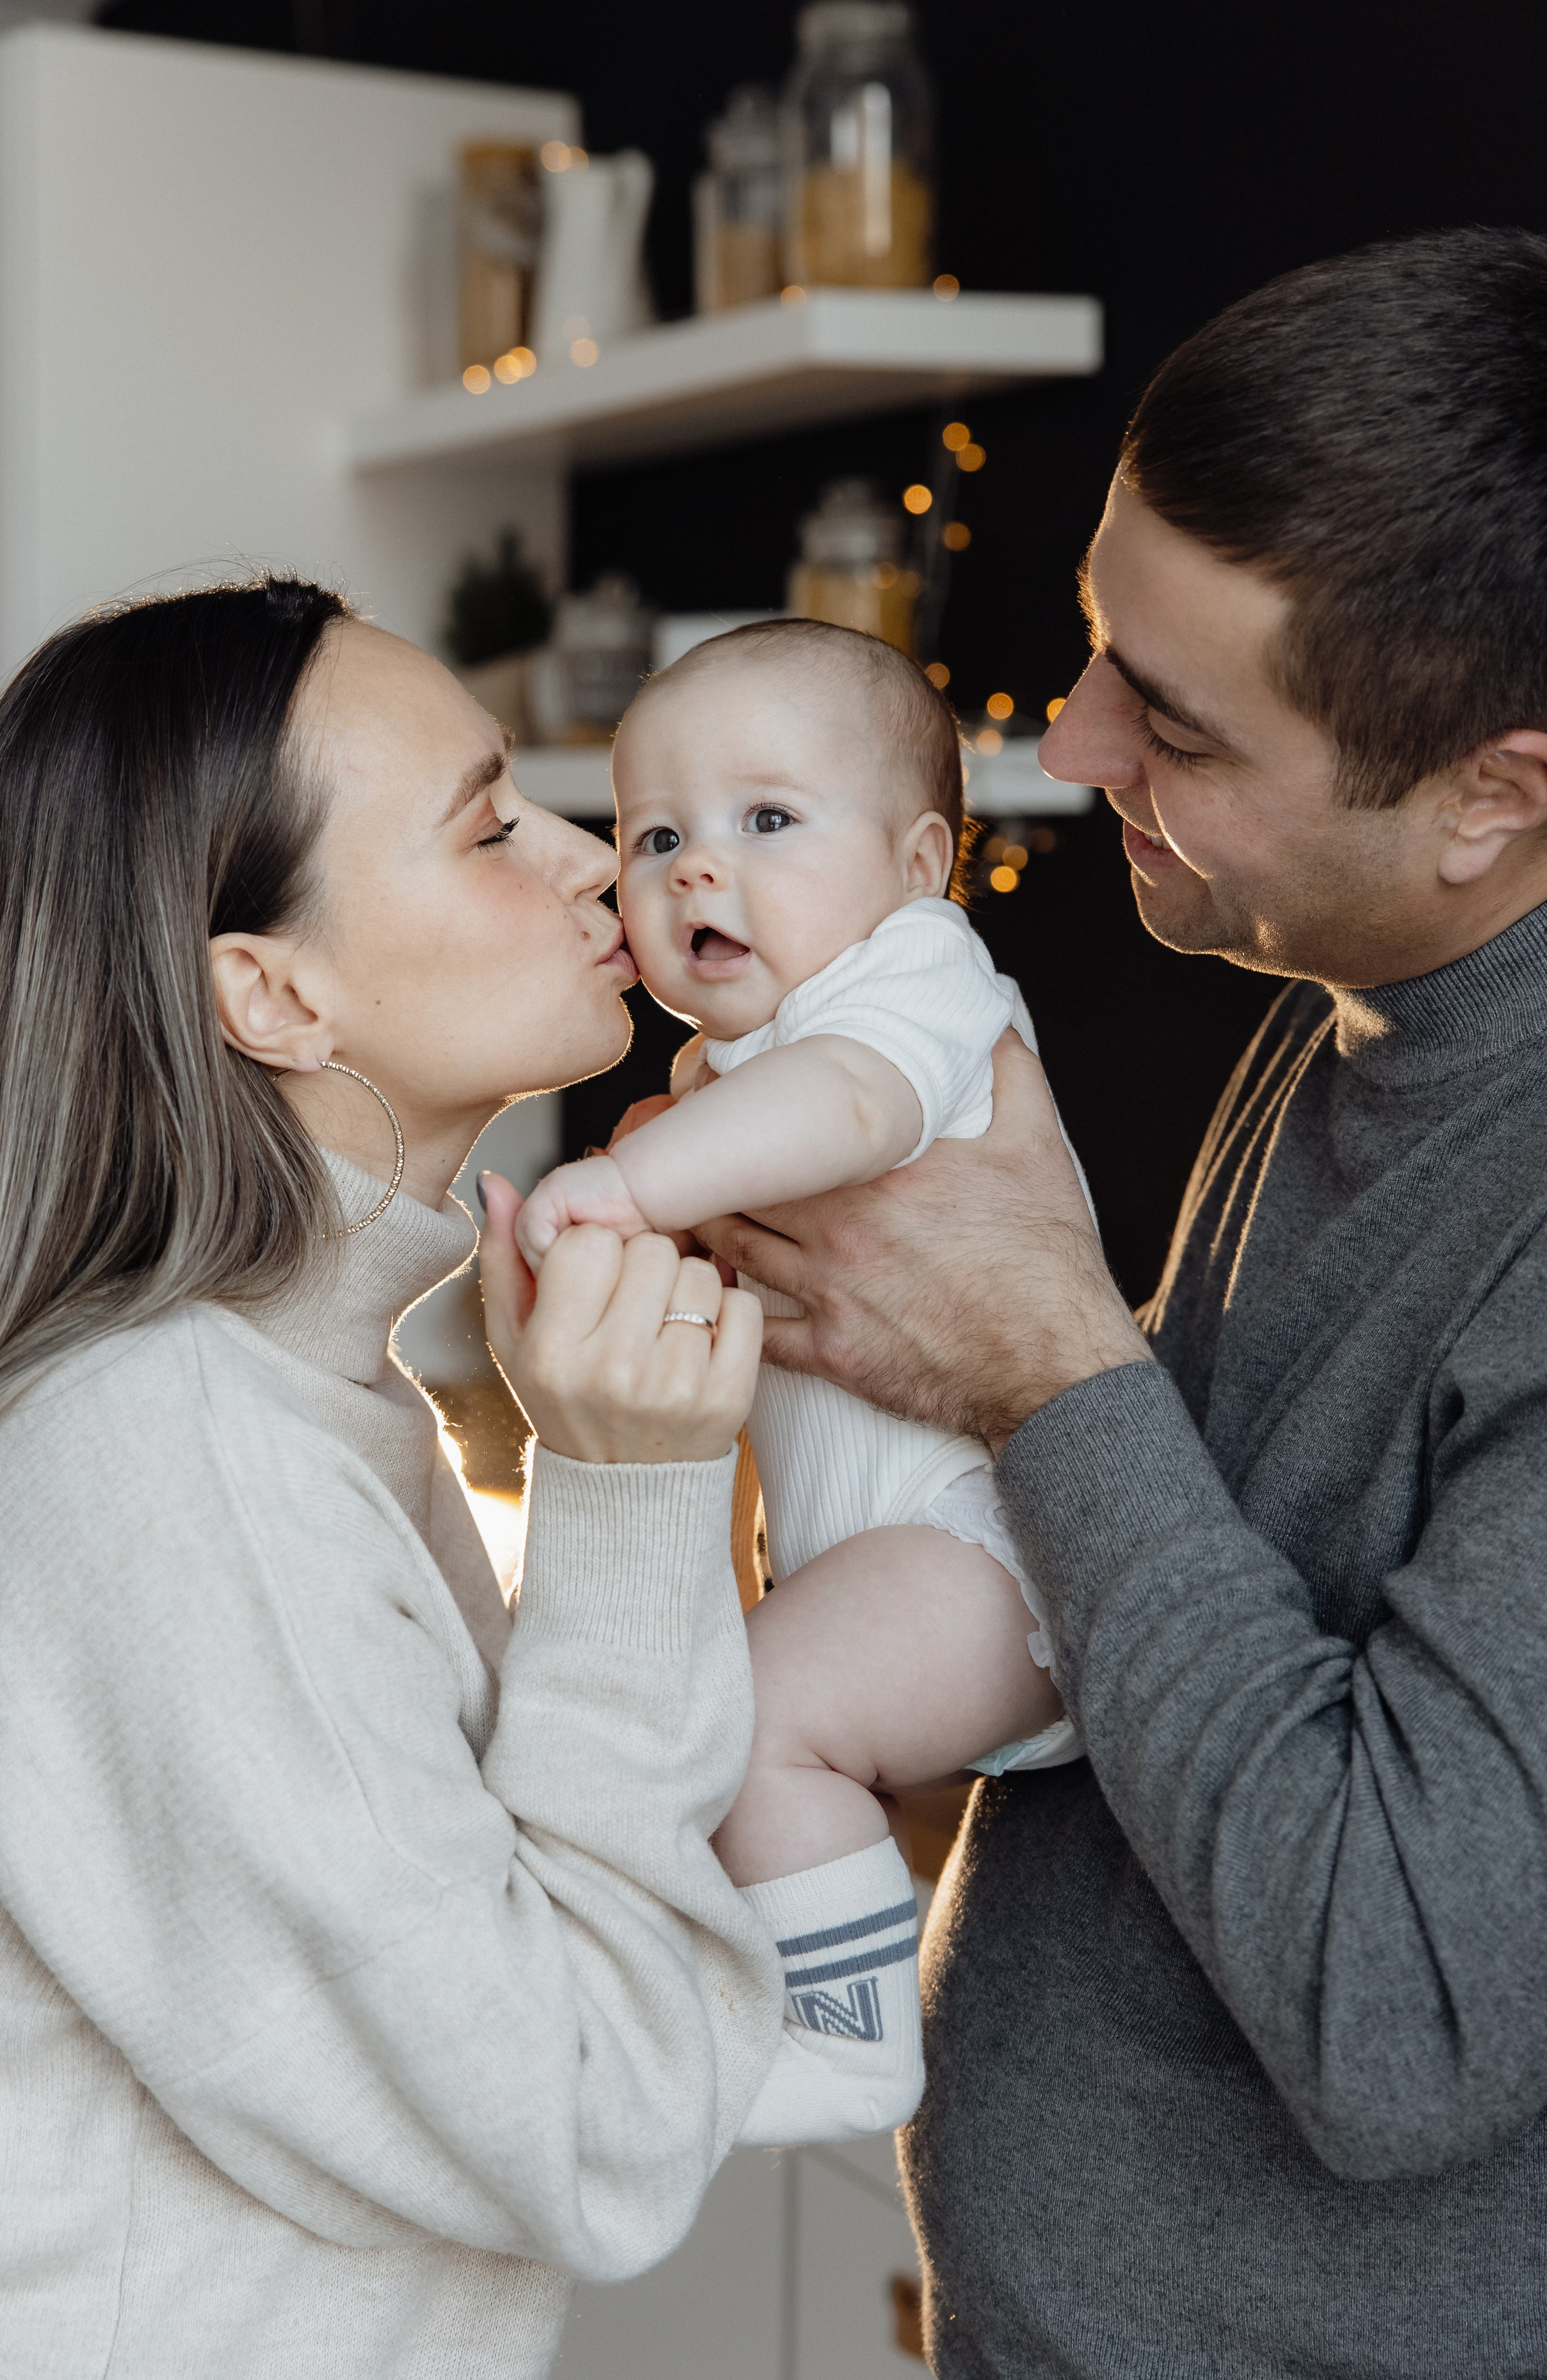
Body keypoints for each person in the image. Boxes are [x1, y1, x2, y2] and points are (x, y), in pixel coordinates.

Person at [694, 226, 1547, 2377]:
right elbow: (1182, 1621)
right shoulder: (1350, 988)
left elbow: (1402, 2010)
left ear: (1491, 796)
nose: (1073, 739)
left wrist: (1050, 1366)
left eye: (1172, 722)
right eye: (1103, 648)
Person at [0, 575, 778, 2379]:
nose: (591, 860)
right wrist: (627, 1499)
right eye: (490, 828)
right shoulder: (171, 1468)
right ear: (271, 993)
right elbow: (589, 2125)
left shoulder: (298, 1397)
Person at [516, 618, 1083, 2149]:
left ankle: (849, 2048)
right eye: (655, 837)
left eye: (766, 819)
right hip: (893, 1571)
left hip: (996, 1550)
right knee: (728, 1722)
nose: (697, 868)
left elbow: (846, 1109)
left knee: (752, 1717)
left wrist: (627, 1188)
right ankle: (772, 1988)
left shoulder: (915, 984)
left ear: (917, 867)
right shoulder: (721, 1077)